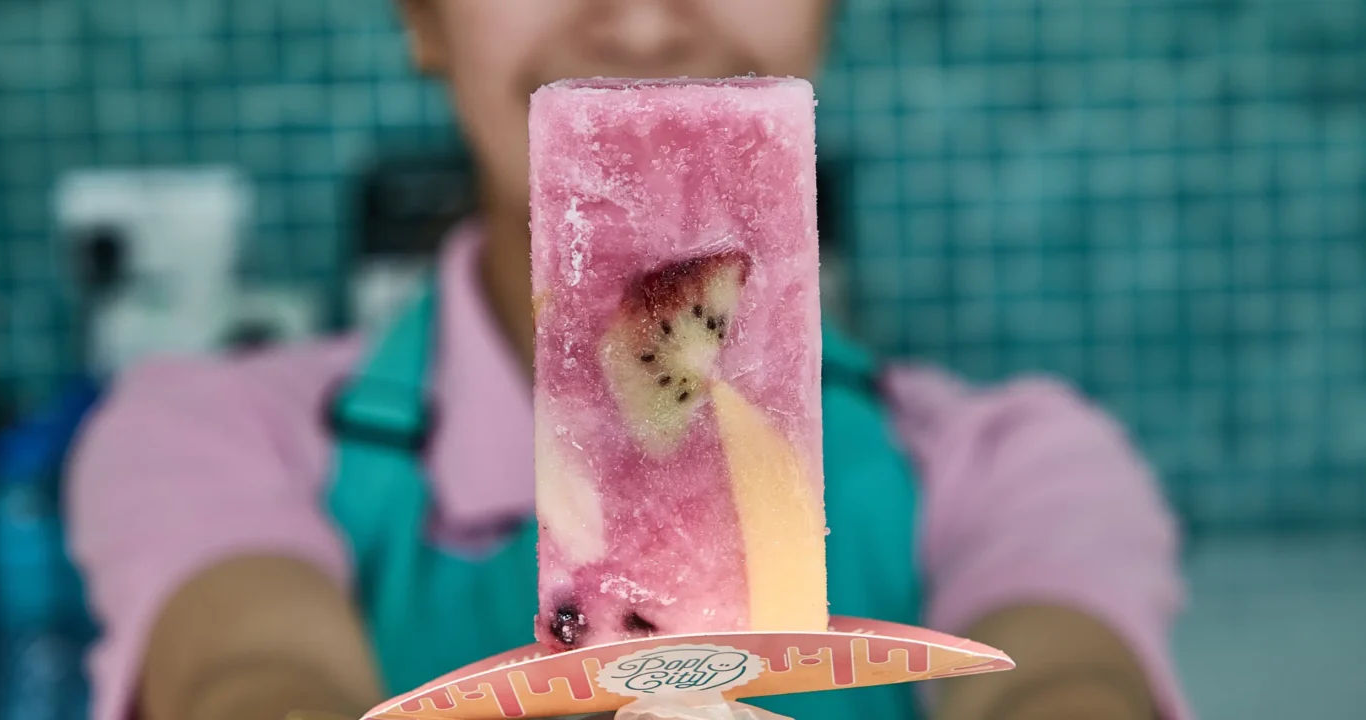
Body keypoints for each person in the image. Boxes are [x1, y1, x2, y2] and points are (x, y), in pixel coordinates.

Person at [67, 2, 1192, 719]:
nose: (646, 21)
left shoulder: (1012, 460)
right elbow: (252, 681)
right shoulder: (210, 433)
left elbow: (1064, 684)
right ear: (421, 16)